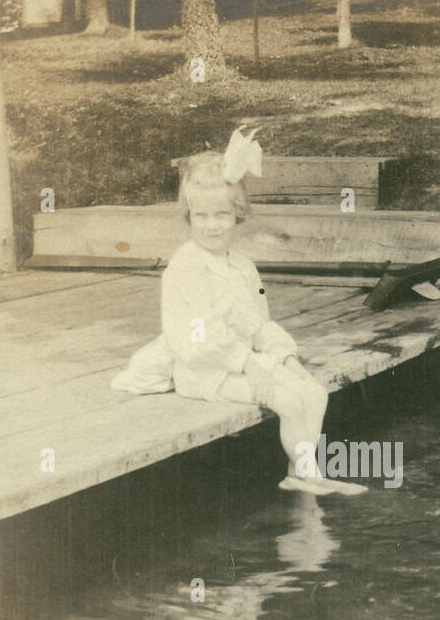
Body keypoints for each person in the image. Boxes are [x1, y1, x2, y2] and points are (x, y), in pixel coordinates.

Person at [111, 127, 366, 496]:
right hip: (203, 368)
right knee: (289, 402)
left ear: (237, 215)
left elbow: (258, 323)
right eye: (201, 216)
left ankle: (304, 471)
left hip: (243, 358)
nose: (212, 225)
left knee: (313, 392)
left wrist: (285, 357)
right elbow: (197, 339)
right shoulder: (187, 266)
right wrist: (252, 367)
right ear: (189, 217)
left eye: (221, 215)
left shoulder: (243, 267)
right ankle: (304, 476)